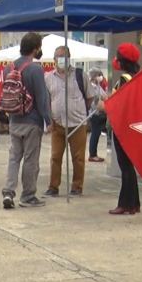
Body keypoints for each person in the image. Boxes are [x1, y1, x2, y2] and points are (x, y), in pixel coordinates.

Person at [2, 32, 52, 209]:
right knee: (31, 159)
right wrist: (49, 120)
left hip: (14, 120)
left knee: (14, 158)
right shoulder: (36, 69)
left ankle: (8, 192)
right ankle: (28, 196)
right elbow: (42, 98)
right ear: (36, 48)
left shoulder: (8, 68)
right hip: (32, 121)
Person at [44, 46, 94, 197]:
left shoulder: (80, 75)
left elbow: (90, 96)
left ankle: (77, 187)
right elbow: (46, 100)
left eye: (64, 56)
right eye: (58, 56)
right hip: (58, 124)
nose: (60, 59)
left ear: (69, 58)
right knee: (55, 157)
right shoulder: (48, 77)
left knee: (78, 158)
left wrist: (80, 110)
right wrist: (48, 120)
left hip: (78, 123)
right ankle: (53, 187)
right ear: (53, 59)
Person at [109, 43, 142, 215]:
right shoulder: (138, 77)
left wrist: (104, 105)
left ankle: (125, 203)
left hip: (123, 128)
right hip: (133, 127)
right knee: (129, 167)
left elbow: (120, 104)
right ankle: (134, 203)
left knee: (126, 167)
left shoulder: (125, 80)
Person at [87, 70, 109, 163]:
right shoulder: (91, 87)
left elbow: (105, 96)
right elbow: (94, 101)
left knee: (97, 133)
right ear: (94, 76)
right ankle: (92, 155)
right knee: (95, 134)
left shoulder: (98, 86)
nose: (101, 77)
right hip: (94, 113)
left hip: (100, 113)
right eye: (99, 75)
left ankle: (93, 154)